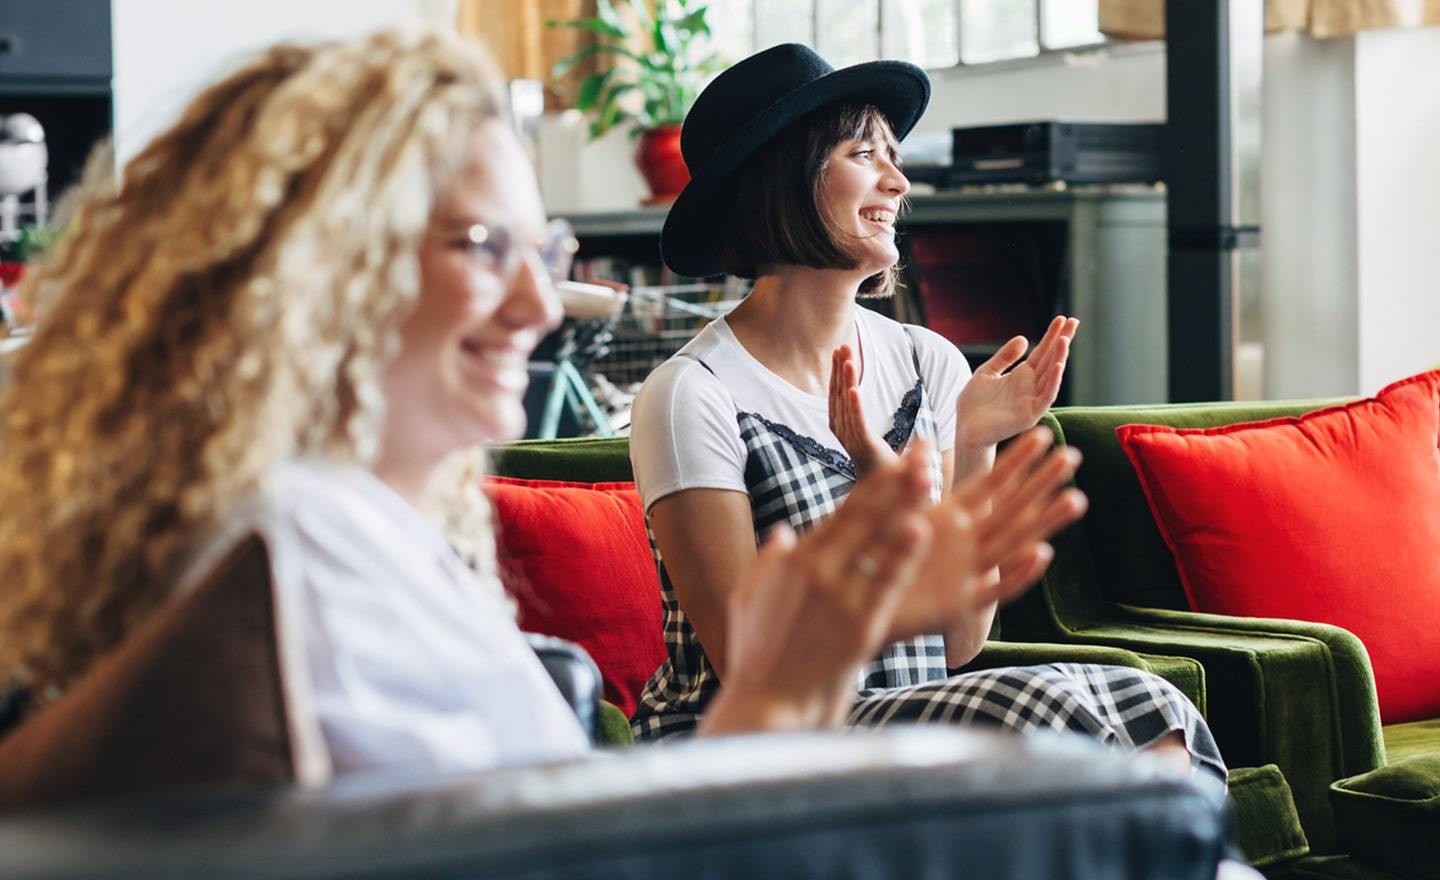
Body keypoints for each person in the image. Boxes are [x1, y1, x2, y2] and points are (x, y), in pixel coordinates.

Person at [0, 27, 1084, 774]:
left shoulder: (392, 546)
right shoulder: (285, 567)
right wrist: (814, 647)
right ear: (326, 270)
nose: (540, 300)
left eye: (544, 248)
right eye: (484, 247)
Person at [627, 43, 1226, 787]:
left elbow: (959, 645)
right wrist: (885, 520)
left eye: (895, 156)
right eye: (863, 154)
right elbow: (748, 664)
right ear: (780, 179)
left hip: (901, 708)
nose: (898, 181)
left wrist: (973, 443)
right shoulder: (693, 392)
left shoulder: (926, 362)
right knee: (1048, 715)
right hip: (747, 739)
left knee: (1148, 701)